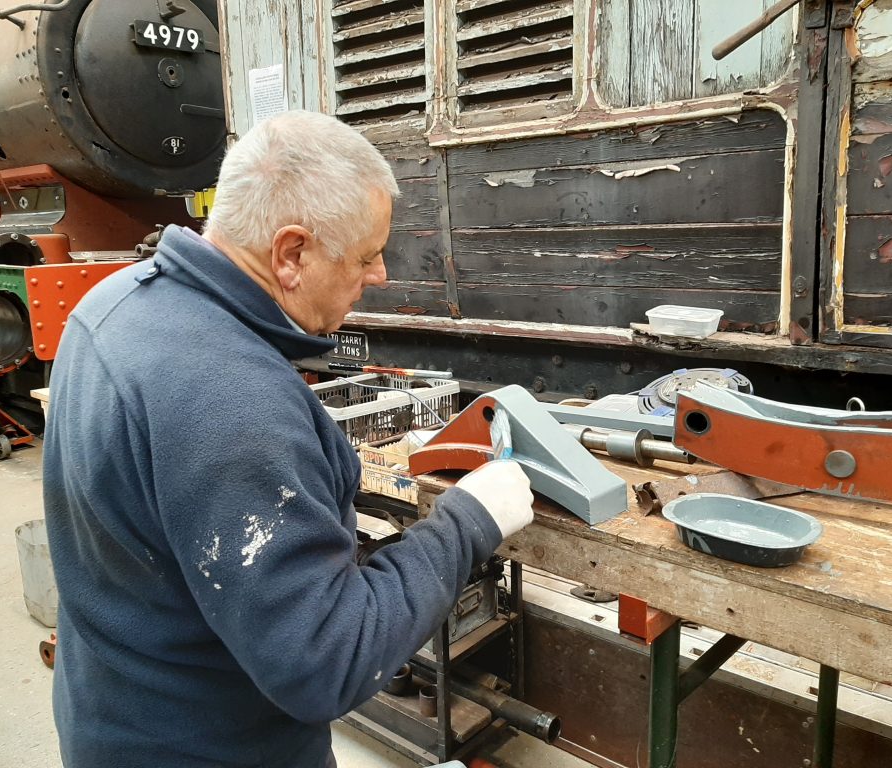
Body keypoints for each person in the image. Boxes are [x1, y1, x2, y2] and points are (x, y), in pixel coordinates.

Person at [43, 110, 536, 768]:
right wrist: (469, 520)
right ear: (292, 254)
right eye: (364, 256)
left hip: (112, 722)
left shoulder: (110, 306)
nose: (381, 274)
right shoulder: (230, 398)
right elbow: (325, 663)